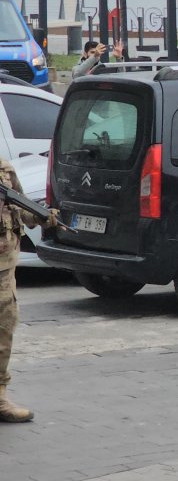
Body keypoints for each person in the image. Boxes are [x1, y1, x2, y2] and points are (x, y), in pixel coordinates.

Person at [0, 158, 59, 422]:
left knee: (3, 330)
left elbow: (19, 203)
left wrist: (42, 217)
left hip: (3, 268)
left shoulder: (3, 168)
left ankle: (0, 396)